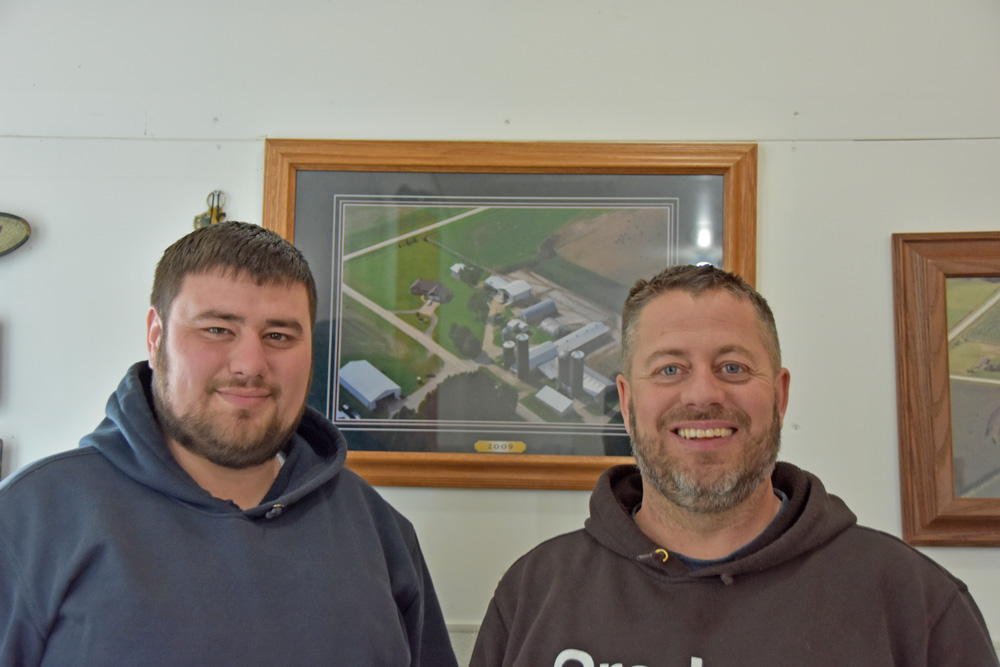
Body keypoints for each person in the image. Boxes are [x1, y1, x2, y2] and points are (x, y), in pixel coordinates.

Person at [471, 264, 999, 667]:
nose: (703, 393)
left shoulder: (914, 601)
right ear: (628, 403)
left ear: (780, 394)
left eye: (733, 367)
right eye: (670, 368)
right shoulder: (534, 593)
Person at [0, 222, 458, 666]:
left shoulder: (379, 532)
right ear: (157, 338)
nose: (249, 364)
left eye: (279, 335)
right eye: (217, 329)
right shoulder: (31, 520)